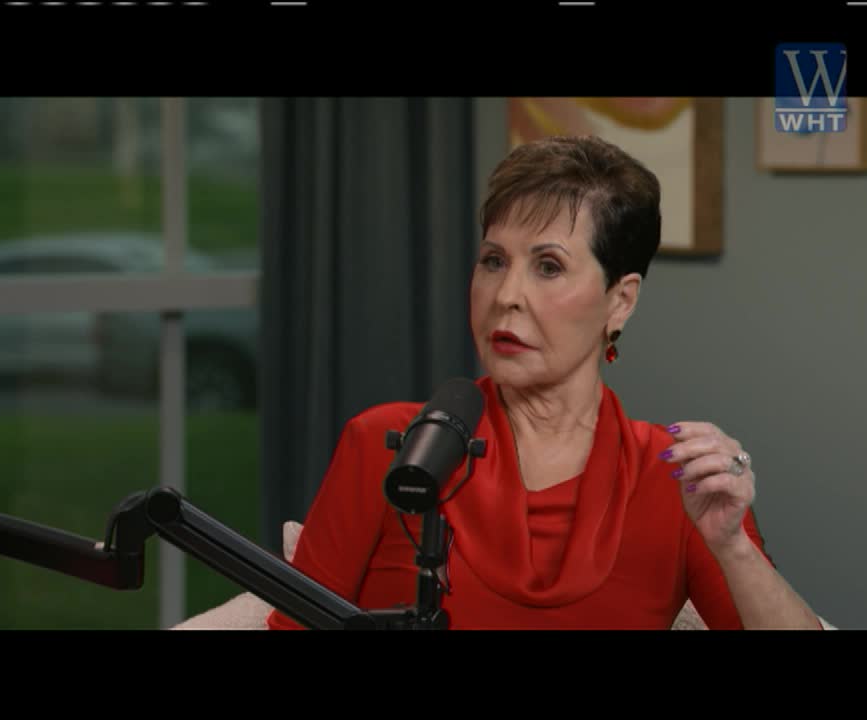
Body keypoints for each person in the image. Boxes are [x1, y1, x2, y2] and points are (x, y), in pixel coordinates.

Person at [267, 135, 823, 630]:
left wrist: (733, 548)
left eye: (548, 266)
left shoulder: (675, 475)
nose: (506, 294)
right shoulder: (390, 443)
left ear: (620, 300)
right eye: (492, 261)